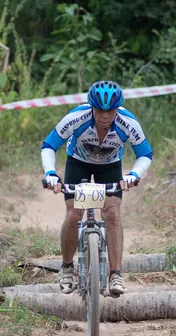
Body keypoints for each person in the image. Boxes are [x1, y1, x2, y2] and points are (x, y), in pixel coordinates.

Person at [41, 80, 152, 296]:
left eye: (109, 110)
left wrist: (133, 175)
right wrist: (51, 174)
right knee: (74, 213)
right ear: (91, 106)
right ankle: (66, 268)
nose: (104, 116)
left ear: (116, 109)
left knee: (111, 214)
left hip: (110, 167)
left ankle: (116, 273)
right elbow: (49, 145)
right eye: (100, 110)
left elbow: (145, 154)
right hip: (78, 163)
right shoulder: (76, 118)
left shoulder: (128, 123)